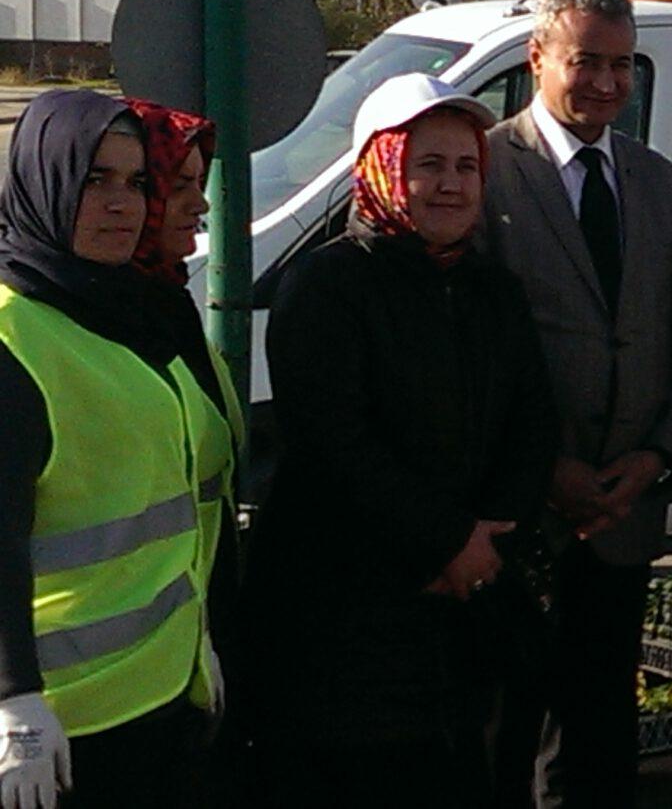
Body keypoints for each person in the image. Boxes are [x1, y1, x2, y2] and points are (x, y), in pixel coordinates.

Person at [243, 74, 556, 807]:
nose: (451, 186)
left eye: (466, 166)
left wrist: (485, 547)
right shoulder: (326, 288)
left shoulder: (491, 291)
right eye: (429, 165)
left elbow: (531, 424)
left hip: (465, 617)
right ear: (382, 169)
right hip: (349, 631)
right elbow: (336, 446)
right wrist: (446, 540)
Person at [479, 0, 672, 806]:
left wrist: (655, 458)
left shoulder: (659, 184)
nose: (608, 84)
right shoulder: (484, 173)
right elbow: (476, 357)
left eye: (623, 64)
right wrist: (548, 470)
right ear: (539, 57)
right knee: (512, 740)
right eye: (587, 63)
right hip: (521, 522)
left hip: (625, 518)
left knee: (603, 738)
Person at [0, 92, 220, 809]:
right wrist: (13, 700)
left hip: (157, 701)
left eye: (136, 182)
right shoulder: (13, 334)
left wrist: (197, 639)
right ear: (45, 180)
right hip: (61, 731)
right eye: (95, 180)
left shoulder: (130, 309)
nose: (121, 203)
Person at [123, 99, 247, 796]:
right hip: (129, 678)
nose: (201, 204)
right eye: (181, 184)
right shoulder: (111, 315)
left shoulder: (168, 301)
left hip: (194, 635)